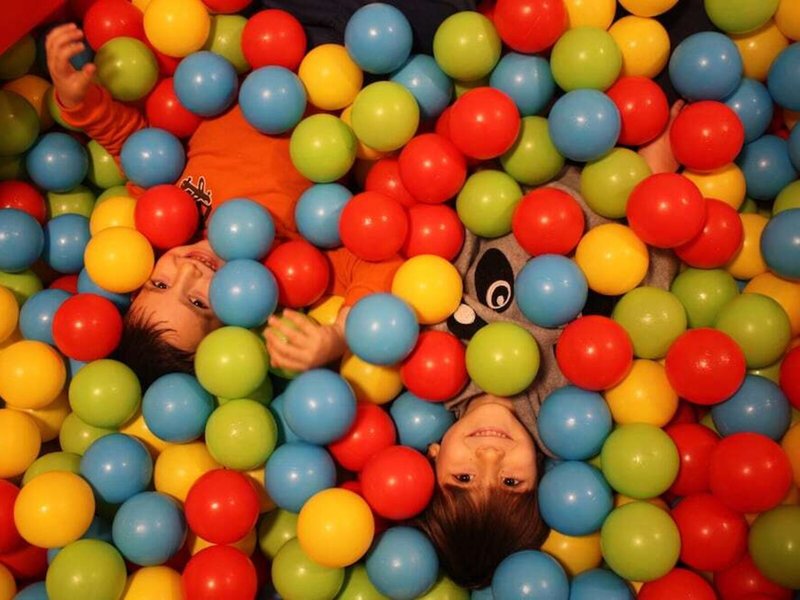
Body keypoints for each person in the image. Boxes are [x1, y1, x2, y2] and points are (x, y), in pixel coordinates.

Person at [44, 22, 404, 388]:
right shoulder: (288, 270)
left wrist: (79, 102)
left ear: (138, 284)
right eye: (198, 303)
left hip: (253, 43)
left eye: (160, 284)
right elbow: (377, 260)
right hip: (339, 70)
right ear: (233, 323)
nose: (188, 271)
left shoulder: (164, 217)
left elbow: (135, 147)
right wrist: (339, 336)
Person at [415, 153, 682, 588]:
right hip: (619, 190)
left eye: (463, 478)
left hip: (521, 163)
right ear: (540, 476)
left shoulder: (435, 362)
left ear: (433, 456)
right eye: (511, 481)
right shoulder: (569, 410)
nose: (489, 457)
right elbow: (644, 308)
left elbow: (457, 237)